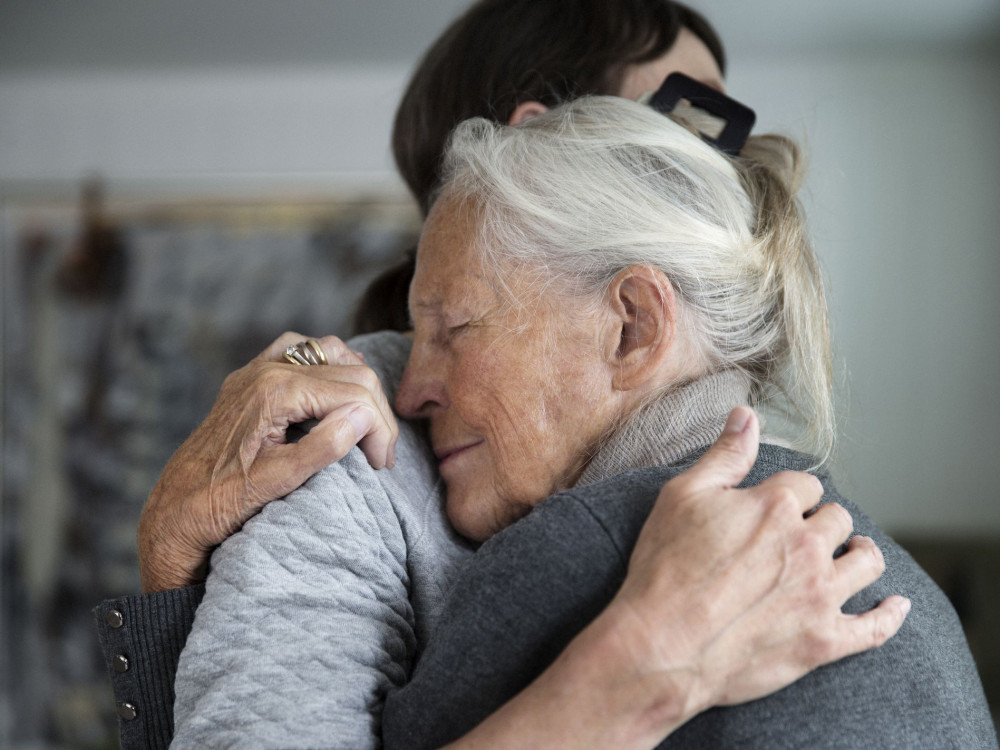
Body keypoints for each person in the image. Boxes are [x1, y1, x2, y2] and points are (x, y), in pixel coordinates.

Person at [95, 1, 909, 747]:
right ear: (546, 135)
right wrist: (642, 670)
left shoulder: (762, 479)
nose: (722, 171)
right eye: (692, 120)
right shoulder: (349, 443)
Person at [372, 96, 995, 747]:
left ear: (633, 327)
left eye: (454, 327)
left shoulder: (567, 557)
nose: (410, 392)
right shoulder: (899, 577)